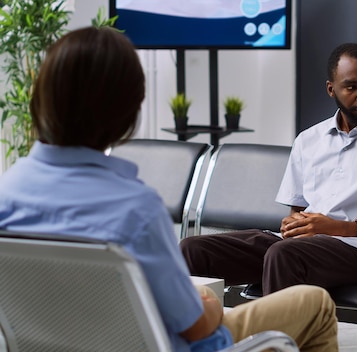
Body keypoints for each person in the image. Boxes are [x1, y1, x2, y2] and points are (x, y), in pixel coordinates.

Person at [0, 26, 338, 352]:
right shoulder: (134, 209)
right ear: (126, 113)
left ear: (41, 97)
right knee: (316, 303)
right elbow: (195, 327)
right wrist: (207, 307)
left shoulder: (7, 193)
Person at [180, 42, 357, 295]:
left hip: (356, 253)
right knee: (192, 250)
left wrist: (340, 228)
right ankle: (195, 334)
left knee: (284, 254)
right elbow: (296, 212)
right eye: (352, 87)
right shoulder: (308, 140)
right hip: (297, 247)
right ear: (332, 89)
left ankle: (281, 335)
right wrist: (294, 224)